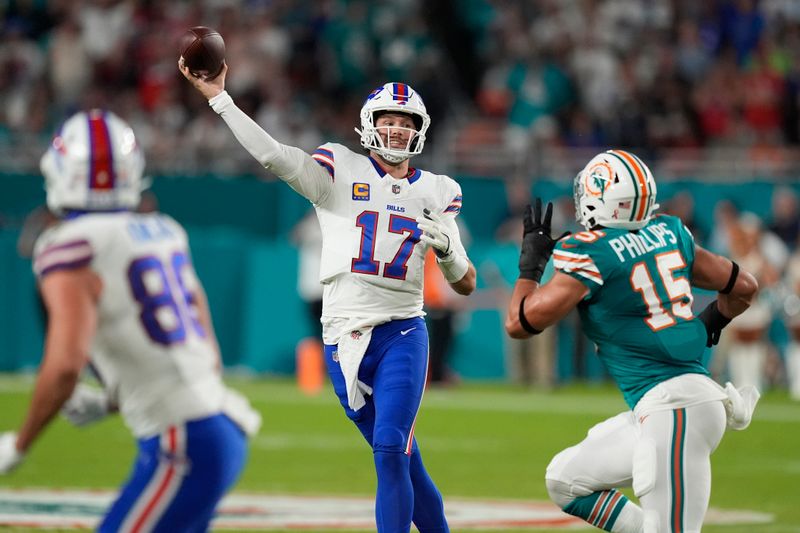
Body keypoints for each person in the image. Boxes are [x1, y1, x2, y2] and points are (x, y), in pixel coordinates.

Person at [180, 62, 476, 533]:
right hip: (343, 335)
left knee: (390, 445)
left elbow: (466, 282)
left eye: (406, 122)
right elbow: (274, 155)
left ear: (420, 131)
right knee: (406, 460)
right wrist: (221, 99)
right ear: (370, 123)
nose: (397, 129)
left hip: (403, 329)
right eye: (388, 120)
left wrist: (448, 252)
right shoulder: (339, 169)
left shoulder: (438, 192)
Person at [0, 110, 261, 532]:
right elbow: (206, 357)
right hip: (220, 429)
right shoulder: (164, 231)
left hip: (183, 441)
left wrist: (20, 442)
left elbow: (65, 365)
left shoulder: (67, 245)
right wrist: (108, 401)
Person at [505, 150, 760, 532]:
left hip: (675, 410)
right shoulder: (670, 232)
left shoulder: (590, 251)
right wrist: (709, 322)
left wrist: (530, 267)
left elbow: (518, 323)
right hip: (672, 406)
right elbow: (744, 287)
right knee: (565, 480)